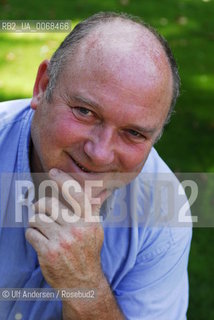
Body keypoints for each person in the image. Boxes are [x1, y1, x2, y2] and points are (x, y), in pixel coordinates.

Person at [0, 12, 192, 320]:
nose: (100, 154)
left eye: (133, 133)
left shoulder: (164, 216)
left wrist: (84, 286)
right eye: (85, 112)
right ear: (43, 86)